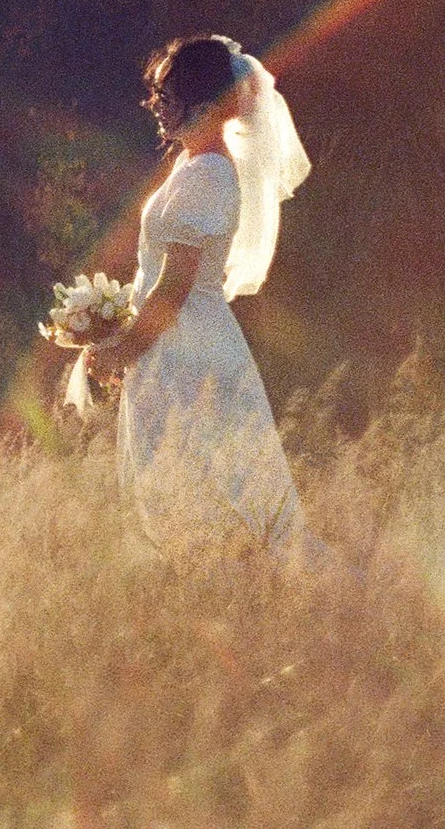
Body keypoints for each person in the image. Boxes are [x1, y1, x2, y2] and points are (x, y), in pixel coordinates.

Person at [83, 36, 313, 557]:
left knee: (201, 481)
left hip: (188, 346)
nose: (158, 110)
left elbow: (174, 288)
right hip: (169, 340)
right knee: (174, 482)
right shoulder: (193, 165)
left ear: (205, 106)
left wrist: (124, 350)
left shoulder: (209, 175)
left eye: (168, 99)